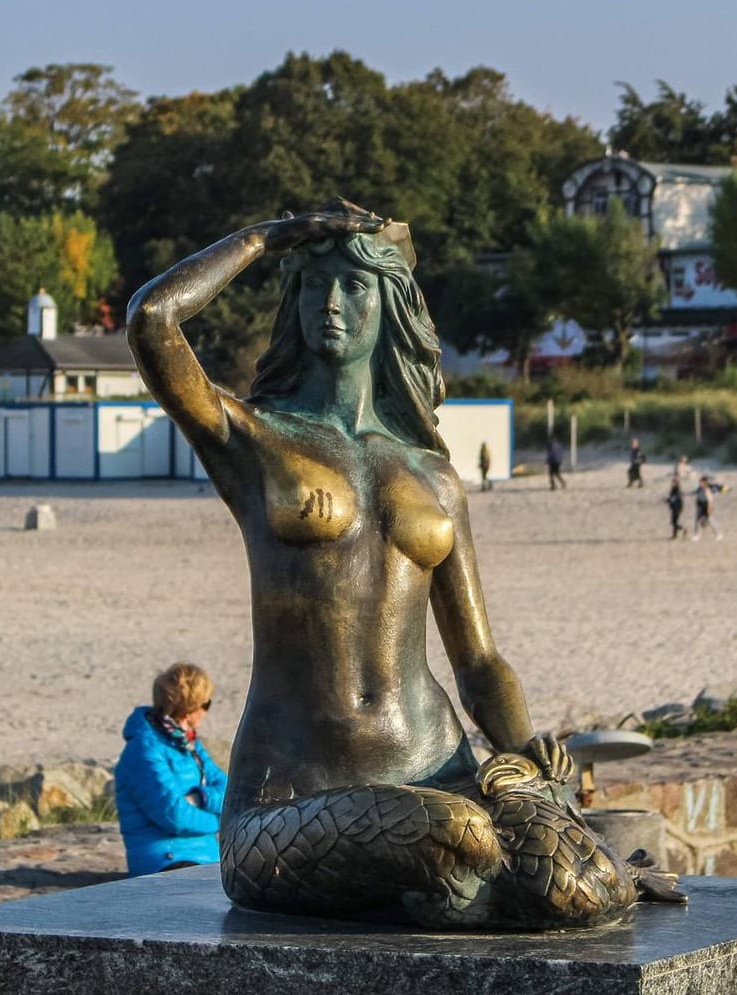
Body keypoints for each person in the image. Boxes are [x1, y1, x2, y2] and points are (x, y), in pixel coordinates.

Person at [125, 201, 680, 927]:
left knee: (576, 885)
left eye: (353, 285)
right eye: (313, 284)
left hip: (437, 762)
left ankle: (520, 879)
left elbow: (478, 661)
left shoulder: (432, 474)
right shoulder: (254, 440)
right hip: (286, 806)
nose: (330, 302)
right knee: (460, 834)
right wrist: (267, 237)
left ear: (391, 304)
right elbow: (151, 321)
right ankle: (479, 885)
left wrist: (527, 757)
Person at [113, 662, 229, 877]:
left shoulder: (189, 745)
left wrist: (201, 797)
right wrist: (220, 822)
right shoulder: (143, 751)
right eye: (206, 704)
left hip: (206, 857)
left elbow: (229, 790)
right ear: (190, 708)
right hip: (164, 860)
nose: (206, 711)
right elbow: (173, 815)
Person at [691, 475, 720, 542]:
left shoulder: (707, 490)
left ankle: (718, 534)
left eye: (701, 482)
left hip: (706, 506)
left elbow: (710, 500)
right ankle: (696, 535)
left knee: (710, 520)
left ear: (705, 482)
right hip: (700, 505)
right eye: (700, 482)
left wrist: (710, 508)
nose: (700, 483)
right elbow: (694, 492)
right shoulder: (699, 488)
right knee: (697, 520)